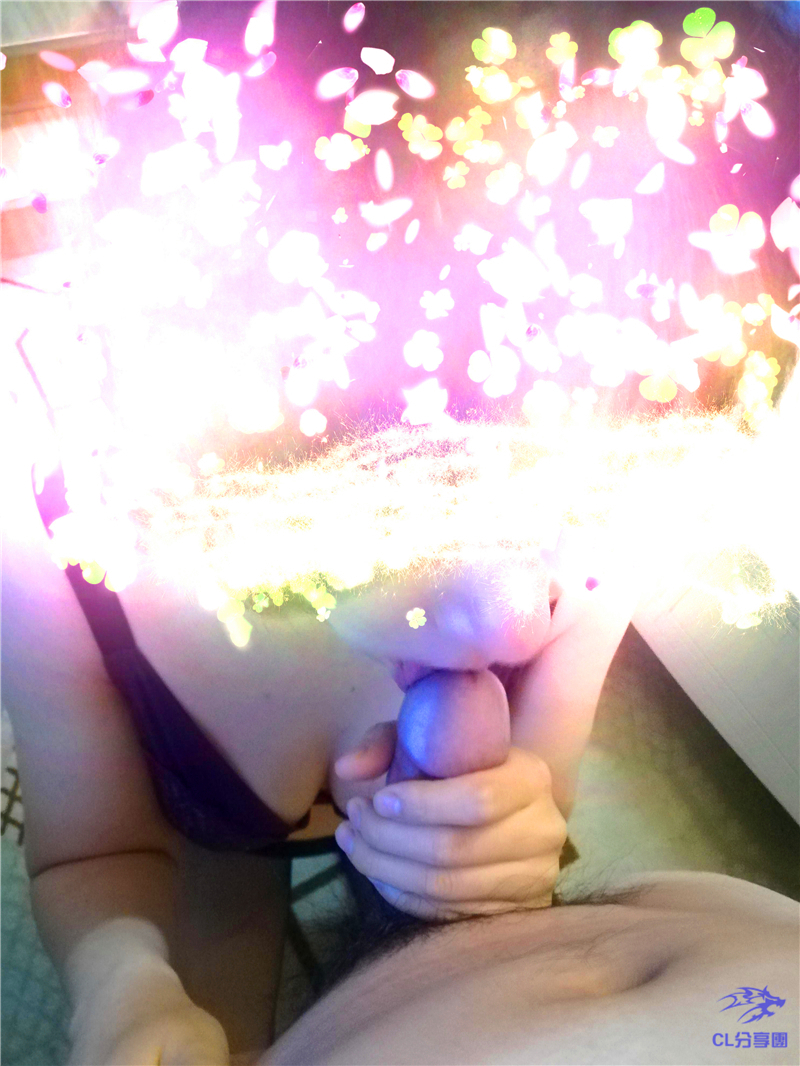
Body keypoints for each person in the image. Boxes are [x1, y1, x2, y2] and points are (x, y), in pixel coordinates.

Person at [1, 2, 797, 1064]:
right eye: (413, 499)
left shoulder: (618, 462)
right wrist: (121, 980)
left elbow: (541, 780)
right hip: (184, 830)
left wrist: (514, 827)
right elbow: (91, 848)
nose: (518, 614)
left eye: (592, 494)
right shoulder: (48, 494)